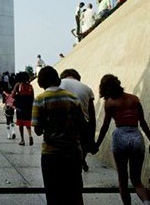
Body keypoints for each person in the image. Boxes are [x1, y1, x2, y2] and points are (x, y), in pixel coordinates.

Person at [94, 74, 150, 205]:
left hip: (120, 137)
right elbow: (143, 123)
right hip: (136, 137)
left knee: (123, 180)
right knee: (137, 181)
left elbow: (105, 126)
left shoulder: (110, 103)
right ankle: (147, 202)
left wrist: (97, 144)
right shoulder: (135, 99)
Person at [32, 66, 84, 205]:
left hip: (51, 153)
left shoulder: (40, 99)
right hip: (73, 152)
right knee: (74, 193)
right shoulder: (73, 98)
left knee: (53, 194)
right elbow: (81, 125)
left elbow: (37, 130)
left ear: (41, 82)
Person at [59, 69, 95, 172]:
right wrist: (91, 140)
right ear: (77, 77)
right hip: (82, 125)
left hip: (62, 124)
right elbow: (92, 115)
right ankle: (81, 161)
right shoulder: (87, 89)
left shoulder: (57, 85)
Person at [12, 71, 34, 146]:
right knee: (28, 122)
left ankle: (22, 140)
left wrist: (17, 94)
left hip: (20, 106)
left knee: (21, 123)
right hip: (28, 106)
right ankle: (30, 135)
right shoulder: (30, 86)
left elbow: (12, 95)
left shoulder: (18, 85)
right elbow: (32, 97)